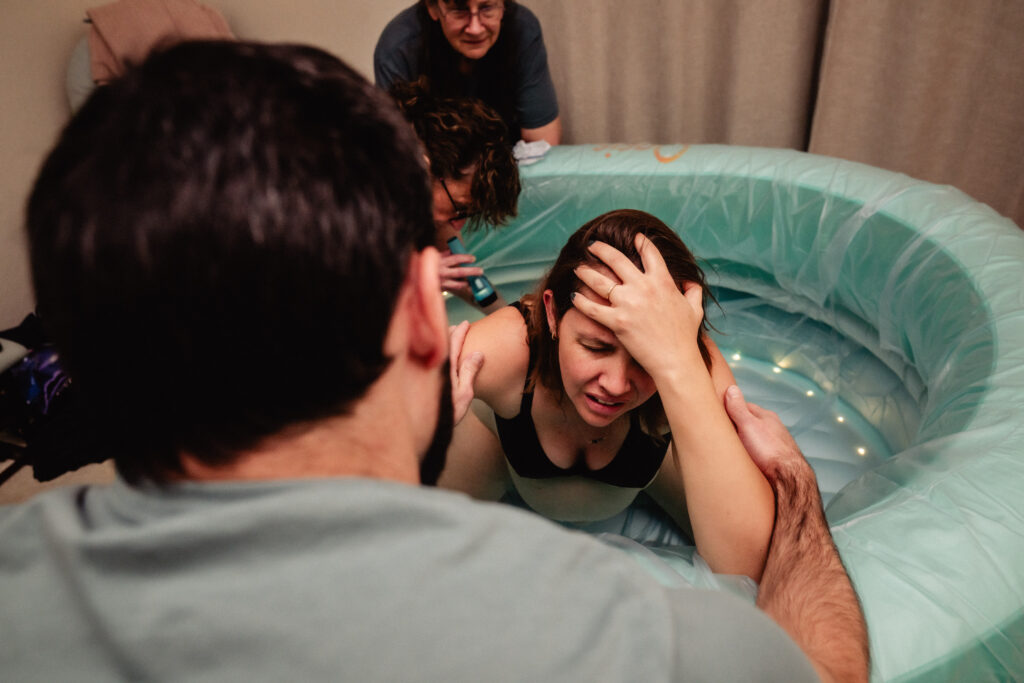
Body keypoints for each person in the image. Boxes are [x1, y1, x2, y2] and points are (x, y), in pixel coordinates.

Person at [0, 40, 867, 682]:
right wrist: (796, 488)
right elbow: (825, 667)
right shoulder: (628, 645)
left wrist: (680, 370)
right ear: (428, 306)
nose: (614, 377)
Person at [440, 209, 775, 580]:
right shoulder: (507, 350)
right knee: (433, 542)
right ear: (551, 313)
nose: (616, 385)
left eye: (644, 359)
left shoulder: (689, 367)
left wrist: (676, 367)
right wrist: (422, 425)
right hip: (497, 453)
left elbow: (748, 569)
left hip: (650, 464)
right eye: (595, 347)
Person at [391, 78, 520, 309]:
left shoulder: (424, 201)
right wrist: (413, 277)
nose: (455, 224)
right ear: (426, 164)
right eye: (458, 207)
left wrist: (518, 321)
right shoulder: (358, 192)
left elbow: (472, 285)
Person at [375, 0, 561, 145]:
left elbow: (542, 143)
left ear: (504, 5)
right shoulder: (398, 49)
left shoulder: (523, 30)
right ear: (432, 7)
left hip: (509, 171)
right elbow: (400, 158)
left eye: (487, 7)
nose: (475, 28)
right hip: (435, 177)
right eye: (459, 9)